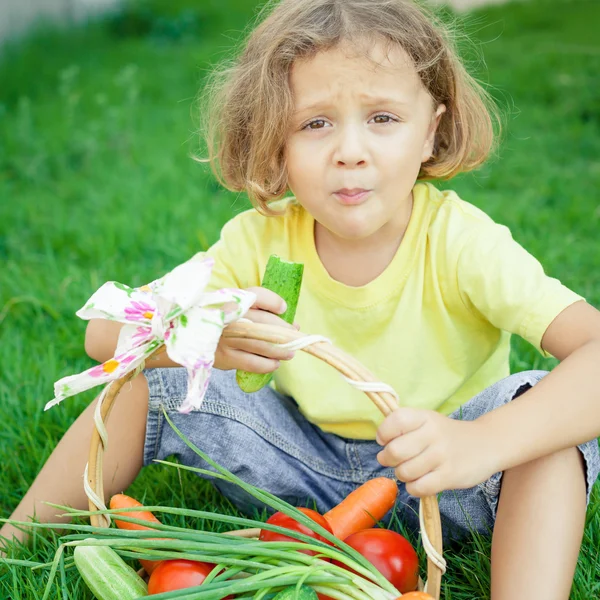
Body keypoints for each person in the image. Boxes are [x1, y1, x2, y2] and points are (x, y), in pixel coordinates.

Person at [2, 0, 600, 597]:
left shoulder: (461, 243)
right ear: (276, 141)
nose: (350, 150)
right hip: (294, 468)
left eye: (383, 118)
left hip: (443, 477)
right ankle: (15, 539)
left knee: (545, 421)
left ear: (431, 132)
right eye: (316, 123)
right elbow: (103, 334)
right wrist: (204, 334)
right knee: (148, 378)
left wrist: (481, 443)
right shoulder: (259, 239)